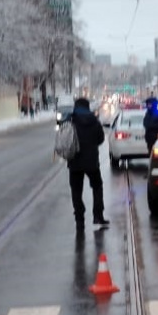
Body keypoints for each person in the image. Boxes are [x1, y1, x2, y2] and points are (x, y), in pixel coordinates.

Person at [67, 97, 108, 229]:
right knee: (97, 187)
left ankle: (79, 219)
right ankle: (98, 215)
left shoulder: (71, 120)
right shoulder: (94, 120)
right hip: (91, 162)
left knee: (76, 190)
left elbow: (65, 138)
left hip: (74, 161)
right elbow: (101, 138)